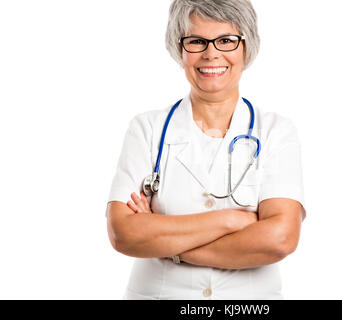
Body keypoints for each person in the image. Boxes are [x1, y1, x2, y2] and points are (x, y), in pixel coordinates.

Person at [106, 0, 306, 300]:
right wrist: (230, 220)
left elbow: (280, 239)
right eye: (197, 41)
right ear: (180, 49)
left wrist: (169, 246)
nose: (211, 53)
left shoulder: (277, 132)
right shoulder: (147, 129)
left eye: (226, 40)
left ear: (246, 47)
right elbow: (124, 234)